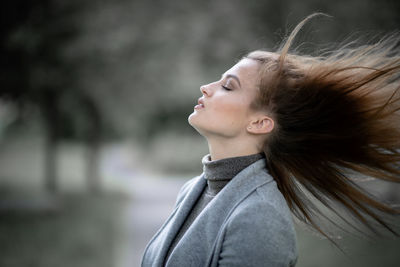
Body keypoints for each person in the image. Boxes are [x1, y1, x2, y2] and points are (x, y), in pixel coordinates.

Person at [141, 13, 400, 267]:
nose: (206, 87)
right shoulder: (192, 190)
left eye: (228, 86)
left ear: (260, 123)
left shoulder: (260, 218)